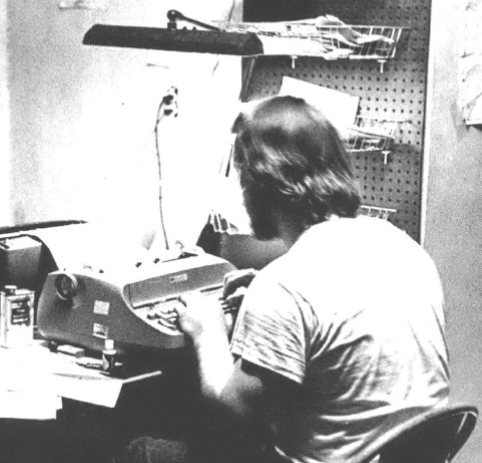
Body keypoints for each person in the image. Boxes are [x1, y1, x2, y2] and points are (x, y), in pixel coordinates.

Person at [117, 95, 450, 463]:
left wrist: (206, 329)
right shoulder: (403, 248)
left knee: (138, 450)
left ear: (259, 185)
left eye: (241, 176)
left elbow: (233, 414)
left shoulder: (285, 285)